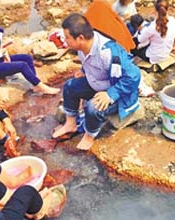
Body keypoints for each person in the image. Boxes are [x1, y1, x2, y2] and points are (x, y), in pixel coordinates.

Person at [52, 14, 141, 150]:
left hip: (118, 93)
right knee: (69, 86)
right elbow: (90, 61)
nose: (65, 41)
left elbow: (134, 76)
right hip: (98, 83)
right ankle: (71, 124)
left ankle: (90, 135)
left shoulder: (108, 53)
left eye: (68, 37)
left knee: (93, 107)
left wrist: (111, 94)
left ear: (80, 38)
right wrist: (84, 70)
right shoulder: (83, 47)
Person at [0, 5, 59, 95]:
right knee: (22, 65)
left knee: (27, 58)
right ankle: (42, 87)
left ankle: (35, 85)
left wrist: (5, 55)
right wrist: (1, 53)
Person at [132, 0, 175, 64]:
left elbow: (140, 39)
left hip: (153, 57)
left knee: (133, 44)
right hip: (166, 53)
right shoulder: (173, 20)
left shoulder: (153, 26)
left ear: (155, 10)